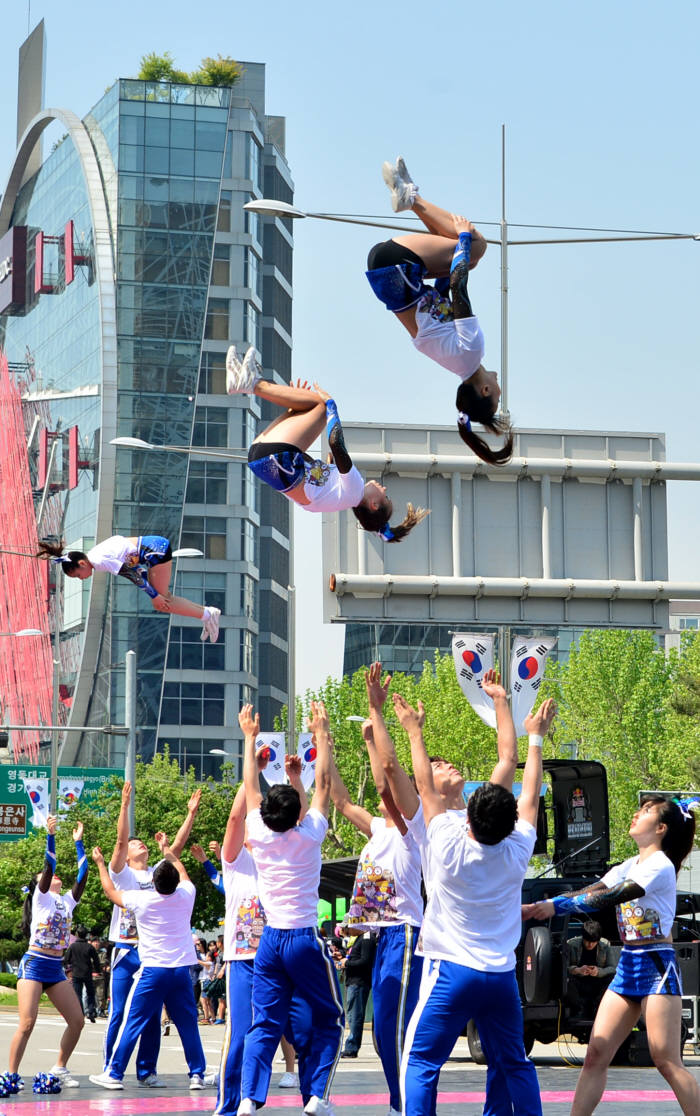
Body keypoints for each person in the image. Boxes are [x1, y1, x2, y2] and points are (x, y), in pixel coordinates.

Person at [397, 694, 557, 1116]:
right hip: (500, 976)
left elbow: (424, 785)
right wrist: (534, 737)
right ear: (515, 824)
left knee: (421, 1062)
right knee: (515, 1065)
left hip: (451, 971)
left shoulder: (444, 838)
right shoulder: (519, 847)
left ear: (470, 815)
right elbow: (529, 791)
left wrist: (415, 731)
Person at [524, 795, 700, 1116]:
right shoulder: (628, 865)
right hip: (628, 964)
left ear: (661, 828)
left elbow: (611, 897)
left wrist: (555, 906)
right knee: (595, 1054)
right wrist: (550, 903)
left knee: (666, 1060)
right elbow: (589, 892)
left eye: (646, 811)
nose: (636, 814)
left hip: (656, 965)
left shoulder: (660, 865)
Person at [366, 157, 513, 467]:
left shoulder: (472, 350)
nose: (500, 391)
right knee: (466, 256)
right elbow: (444, 292)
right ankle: (409, 197)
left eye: (497, 397)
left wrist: (462, 237)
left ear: (485, 389)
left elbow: (459, 287)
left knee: (476, 247)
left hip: (398, 265)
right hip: (387, 270)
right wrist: (456, 249)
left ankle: (413, 198)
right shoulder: (453, 360)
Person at [237, 700, 344, 1116]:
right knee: (331, 1017)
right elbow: (324, 785)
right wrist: (322, 736)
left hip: (269, 941)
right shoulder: (310, 834)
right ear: (298, 813)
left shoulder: (258, 834)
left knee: (263, 1023)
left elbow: (250, 786)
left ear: (266, 813)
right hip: (302, 937)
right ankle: (316, 1095)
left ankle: (249, 1098)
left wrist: (249, 738)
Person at [225, 360, 428, 543]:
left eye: (385, 496)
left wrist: (332, 406)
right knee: (308, 405)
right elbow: (301, 465)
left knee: (320, 407)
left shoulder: (355, 488)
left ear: (374, 504)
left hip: (277, 459)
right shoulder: (334, 496)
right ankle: (246, 382)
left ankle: (253, 384)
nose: (383, 489)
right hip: (260, 459)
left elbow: (336, 444)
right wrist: (293, 407)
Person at [213, 739, 311, 1115]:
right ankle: (230, 1105)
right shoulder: (236, 864)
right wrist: (250, 771)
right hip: (245, 959)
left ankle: (313, 1097)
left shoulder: (284, 853)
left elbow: (299, 820)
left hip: (283, 955)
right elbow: (236, 820)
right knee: (240, 1035)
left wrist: (290, 780)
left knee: (305, 1030)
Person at [331, 718, 422, 1114]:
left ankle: (405, 1104)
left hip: (404, 934)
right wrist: (324, 747)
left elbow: (386, 786)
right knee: (382, 1035)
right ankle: (399, 1102)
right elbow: (341, 801)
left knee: (393, 1027)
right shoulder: (377, 830)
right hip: (381, 937)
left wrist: (374, 737)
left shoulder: (409, 831)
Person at [101, 780, 201, 1088]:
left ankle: (146, 1071)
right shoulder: (123, 873)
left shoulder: (158, 876)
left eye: (142, 842)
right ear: (128, 856)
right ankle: (110, 1065)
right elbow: (119, 845)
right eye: (135, 844)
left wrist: (191, 815)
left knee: (152, 1015)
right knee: (122, 1012)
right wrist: (124, 807)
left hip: (153, 956)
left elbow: (176, 852)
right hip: (127, 949)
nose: (139, 844)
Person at [7, 816, 88, 1091]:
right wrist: (50, 836)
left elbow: (83, 876)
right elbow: (49, 863)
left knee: (77, 1021)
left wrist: (79, 844)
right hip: (34, 963)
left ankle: (60, 1067)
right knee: (27, 1023)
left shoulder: (66, 901)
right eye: (47, 876)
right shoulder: (42, 898)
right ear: (39, 884)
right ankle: (11, 1075)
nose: (53, 875)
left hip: (55, 966)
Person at [36, 536, 220, 642]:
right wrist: (152, 588)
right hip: (151, 551)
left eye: (77, 575)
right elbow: (134, 569)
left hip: (154, 551)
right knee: (165, 599)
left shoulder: (99, 561)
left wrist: (154, 595)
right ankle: (207, 614)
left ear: (82, 563)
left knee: (162, 602)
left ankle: (208, 615)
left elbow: (131, 575)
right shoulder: (95, 556)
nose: (81, 579)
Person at [565, 921, 616, 1021]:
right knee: (565, 978)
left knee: (612, 977)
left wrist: (598, 972)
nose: (590, 945)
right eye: (587, 941)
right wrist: (577, 970)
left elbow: (612, 968)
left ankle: (597, 1007)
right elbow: (564, 968)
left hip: (596, 982)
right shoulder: (571, 944)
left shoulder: (605, 945)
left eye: (593, 942)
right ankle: (578, 1008)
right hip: (578, 982)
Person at [338, 932, 376, 1059]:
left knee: (355, 1016)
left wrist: (346, 963)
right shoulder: (361, 938)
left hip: (358, 983)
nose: (349, 929)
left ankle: (351, 1047)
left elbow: (365, 961)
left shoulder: (366, 938)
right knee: (352, 1015)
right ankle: (351, 1046)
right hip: (354, 982)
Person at [64, 927, 101, 1022]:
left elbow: (66, 959)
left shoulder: (72, 946)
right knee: (90, 993)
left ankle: (80, 1012)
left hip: (76, 973)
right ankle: (91, 1011)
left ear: (77, 934)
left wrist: (68, 970)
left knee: (78, 994)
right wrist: (98, 970)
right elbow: (96, 960)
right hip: (87, 972)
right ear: (86, 935)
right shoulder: (89, 947)